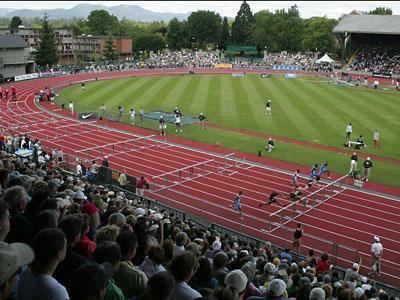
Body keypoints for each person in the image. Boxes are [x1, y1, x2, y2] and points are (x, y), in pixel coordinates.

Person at [17, 228, 70, 300]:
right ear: (59, 254)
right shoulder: (57, 291)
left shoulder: (25, 271)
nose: (67, 246)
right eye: (65, 244)